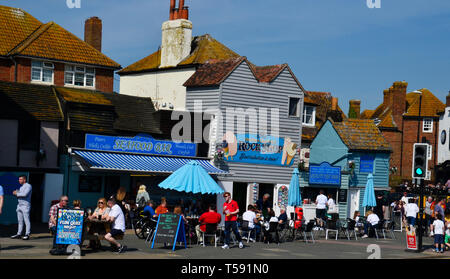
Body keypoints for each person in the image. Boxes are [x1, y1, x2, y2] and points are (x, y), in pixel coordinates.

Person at [11, 175, 32, 240]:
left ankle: (27, 234)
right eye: (19, 179)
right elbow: (20, 196)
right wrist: (17, 193)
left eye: (20, 179)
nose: (19, 180)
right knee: (20, 221)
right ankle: (19, 234)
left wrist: (16, 193)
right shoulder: (21, 187)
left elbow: (25, 194)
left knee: (26, 220)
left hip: (25, 206)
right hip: (19, 205)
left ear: (24, 180)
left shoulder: (28, 186)